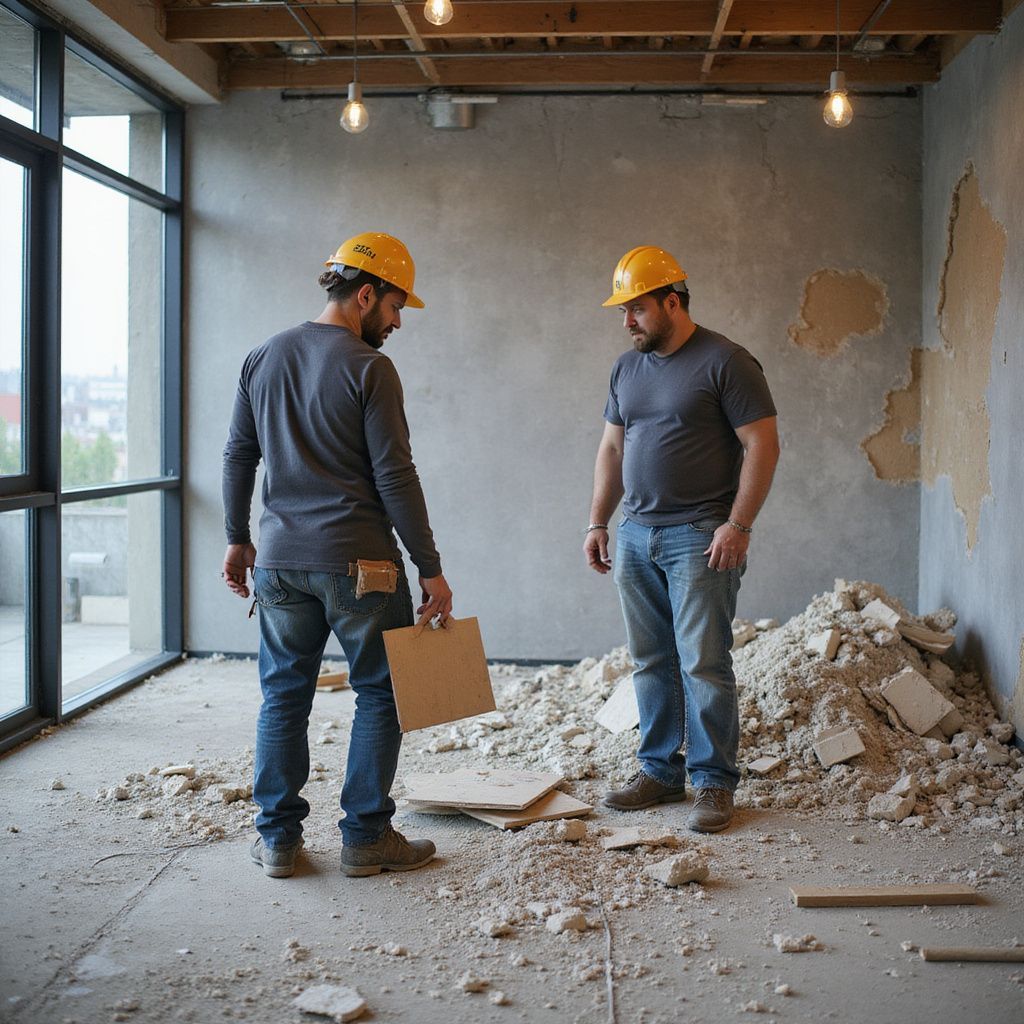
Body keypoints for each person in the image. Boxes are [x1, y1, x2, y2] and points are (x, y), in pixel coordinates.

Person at [221, 232, 453, 878]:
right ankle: (366, 837)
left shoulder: (263, 356)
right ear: (366, 293)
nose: (399, 322)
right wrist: (430, 566)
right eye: (395, 306)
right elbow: (395, 476)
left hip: (279, 562)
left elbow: (240, 454)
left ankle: (278, 841)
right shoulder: (368, 367)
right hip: (362, 565)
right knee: (381, 694)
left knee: (283, 696)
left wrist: (238, 537)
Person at [584, 246, 779, 833]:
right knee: (650, 661)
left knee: (704, 664)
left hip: (701, 535)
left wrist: (738, 524)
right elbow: (613, 449)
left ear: (673, 301)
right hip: (637, 533)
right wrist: (598, 521)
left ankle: (714, 783)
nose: (627, 322)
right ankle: (660, 773)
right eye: (623, 311)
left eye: (636, 308)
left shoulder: (727, 362)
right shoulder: (626, 368)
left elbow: (762, 446)